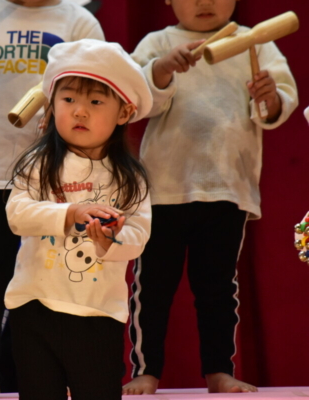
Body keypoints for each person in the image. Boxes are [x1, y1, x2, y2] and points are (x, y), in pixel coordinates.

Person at [123, 0, 298, 395]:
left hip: (227, 187)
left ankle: (219, 370)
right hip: (163, 189)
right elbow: (132, 102)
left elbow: (275, 106)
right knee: (152, 288)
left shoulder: (254, 41)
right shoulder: (158, 42)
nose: (204, 2)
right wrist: (161, 69)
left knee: (218, 289)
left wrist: (270, 97)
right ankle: (146, 370)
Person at [0, 1, 104, 398]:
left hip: (54, 179)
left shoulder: (78, 20)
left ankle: (42, 378)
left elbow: (100, 92)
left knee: (51, 281)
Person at [4, 39, 153, 400]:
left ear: (124, 112)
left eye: (96, 102)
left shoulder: (130, 177)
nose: (80, 112)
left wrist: (110, 242)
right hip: (34, 306)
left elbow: (139, 234)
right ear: (52, 105)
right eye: (68, 99)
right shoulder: (39, 162)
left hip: (97, 313)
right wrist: (70, 212)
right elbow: (17, 215)